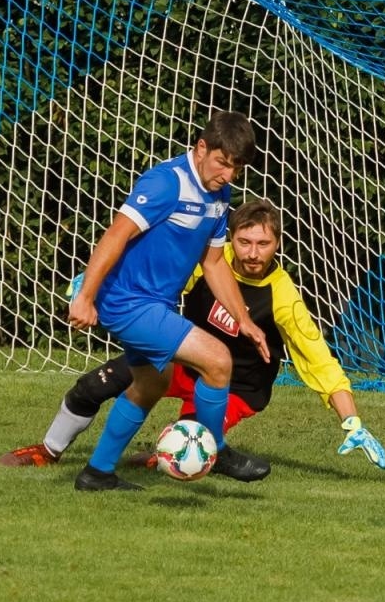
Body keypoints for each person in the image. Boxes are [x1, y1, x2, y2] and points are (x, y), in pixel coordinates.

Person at [0, 198, 385, 474]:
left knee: (186, 447)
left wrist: (352, 422)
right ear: (231, 238)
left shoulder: (283, 297)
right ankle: (47, 451)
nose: (253, 253)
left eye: (264, 244)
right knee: (94, 385)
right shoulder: (209, 265)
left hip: (238, 387)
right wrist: (95, 285)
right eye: (244, 241)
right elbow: (153, 280)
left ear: (278, 244)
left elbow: (317, 360)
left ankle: (151, 461)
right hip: (186, 358)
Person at [63, 111, 269, 492]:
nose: (228, 175)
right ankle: (217, 449)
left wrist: (244, 319)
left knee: (150, 384)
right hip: (127, 302)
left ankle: (97, 473)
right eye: (223, 164)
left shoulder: (219, 193)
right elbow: (115, 236)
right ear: (201, 148)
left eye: (236, 169)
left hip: (155, 305)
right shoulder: (166, 183)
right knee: (218, 359)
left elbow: (213, 262)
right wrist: (86, 296)